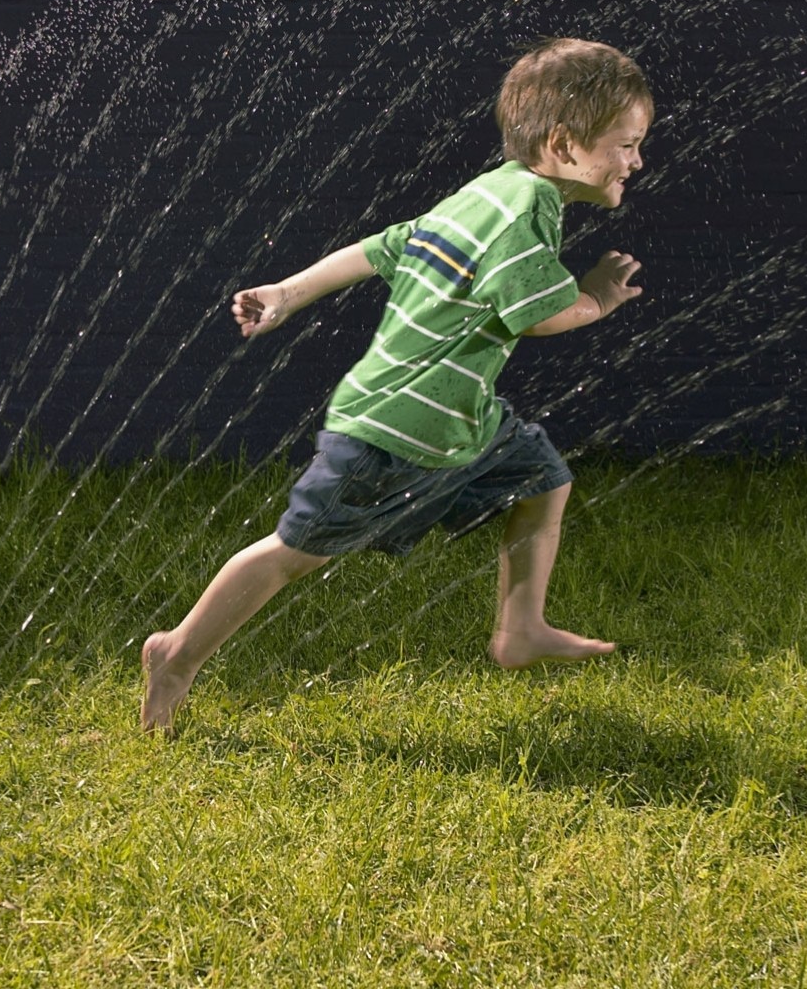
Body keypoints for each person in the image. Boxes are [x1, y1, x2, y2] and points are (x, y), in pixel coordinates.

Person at [142, 37, 651, 733]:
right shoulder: (528, 206)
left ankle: (521, 628)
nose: (636, 160)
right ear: (564, 147)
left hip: (454, 419)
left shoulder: (490, 191)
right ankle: (177, 652)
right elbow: (534, 314)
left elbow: (388, 244)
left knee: (543, 477)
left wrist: (289, 292)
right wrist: (595, 299)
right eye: (626, 144)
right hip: (394, 430)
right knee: (296, 551)